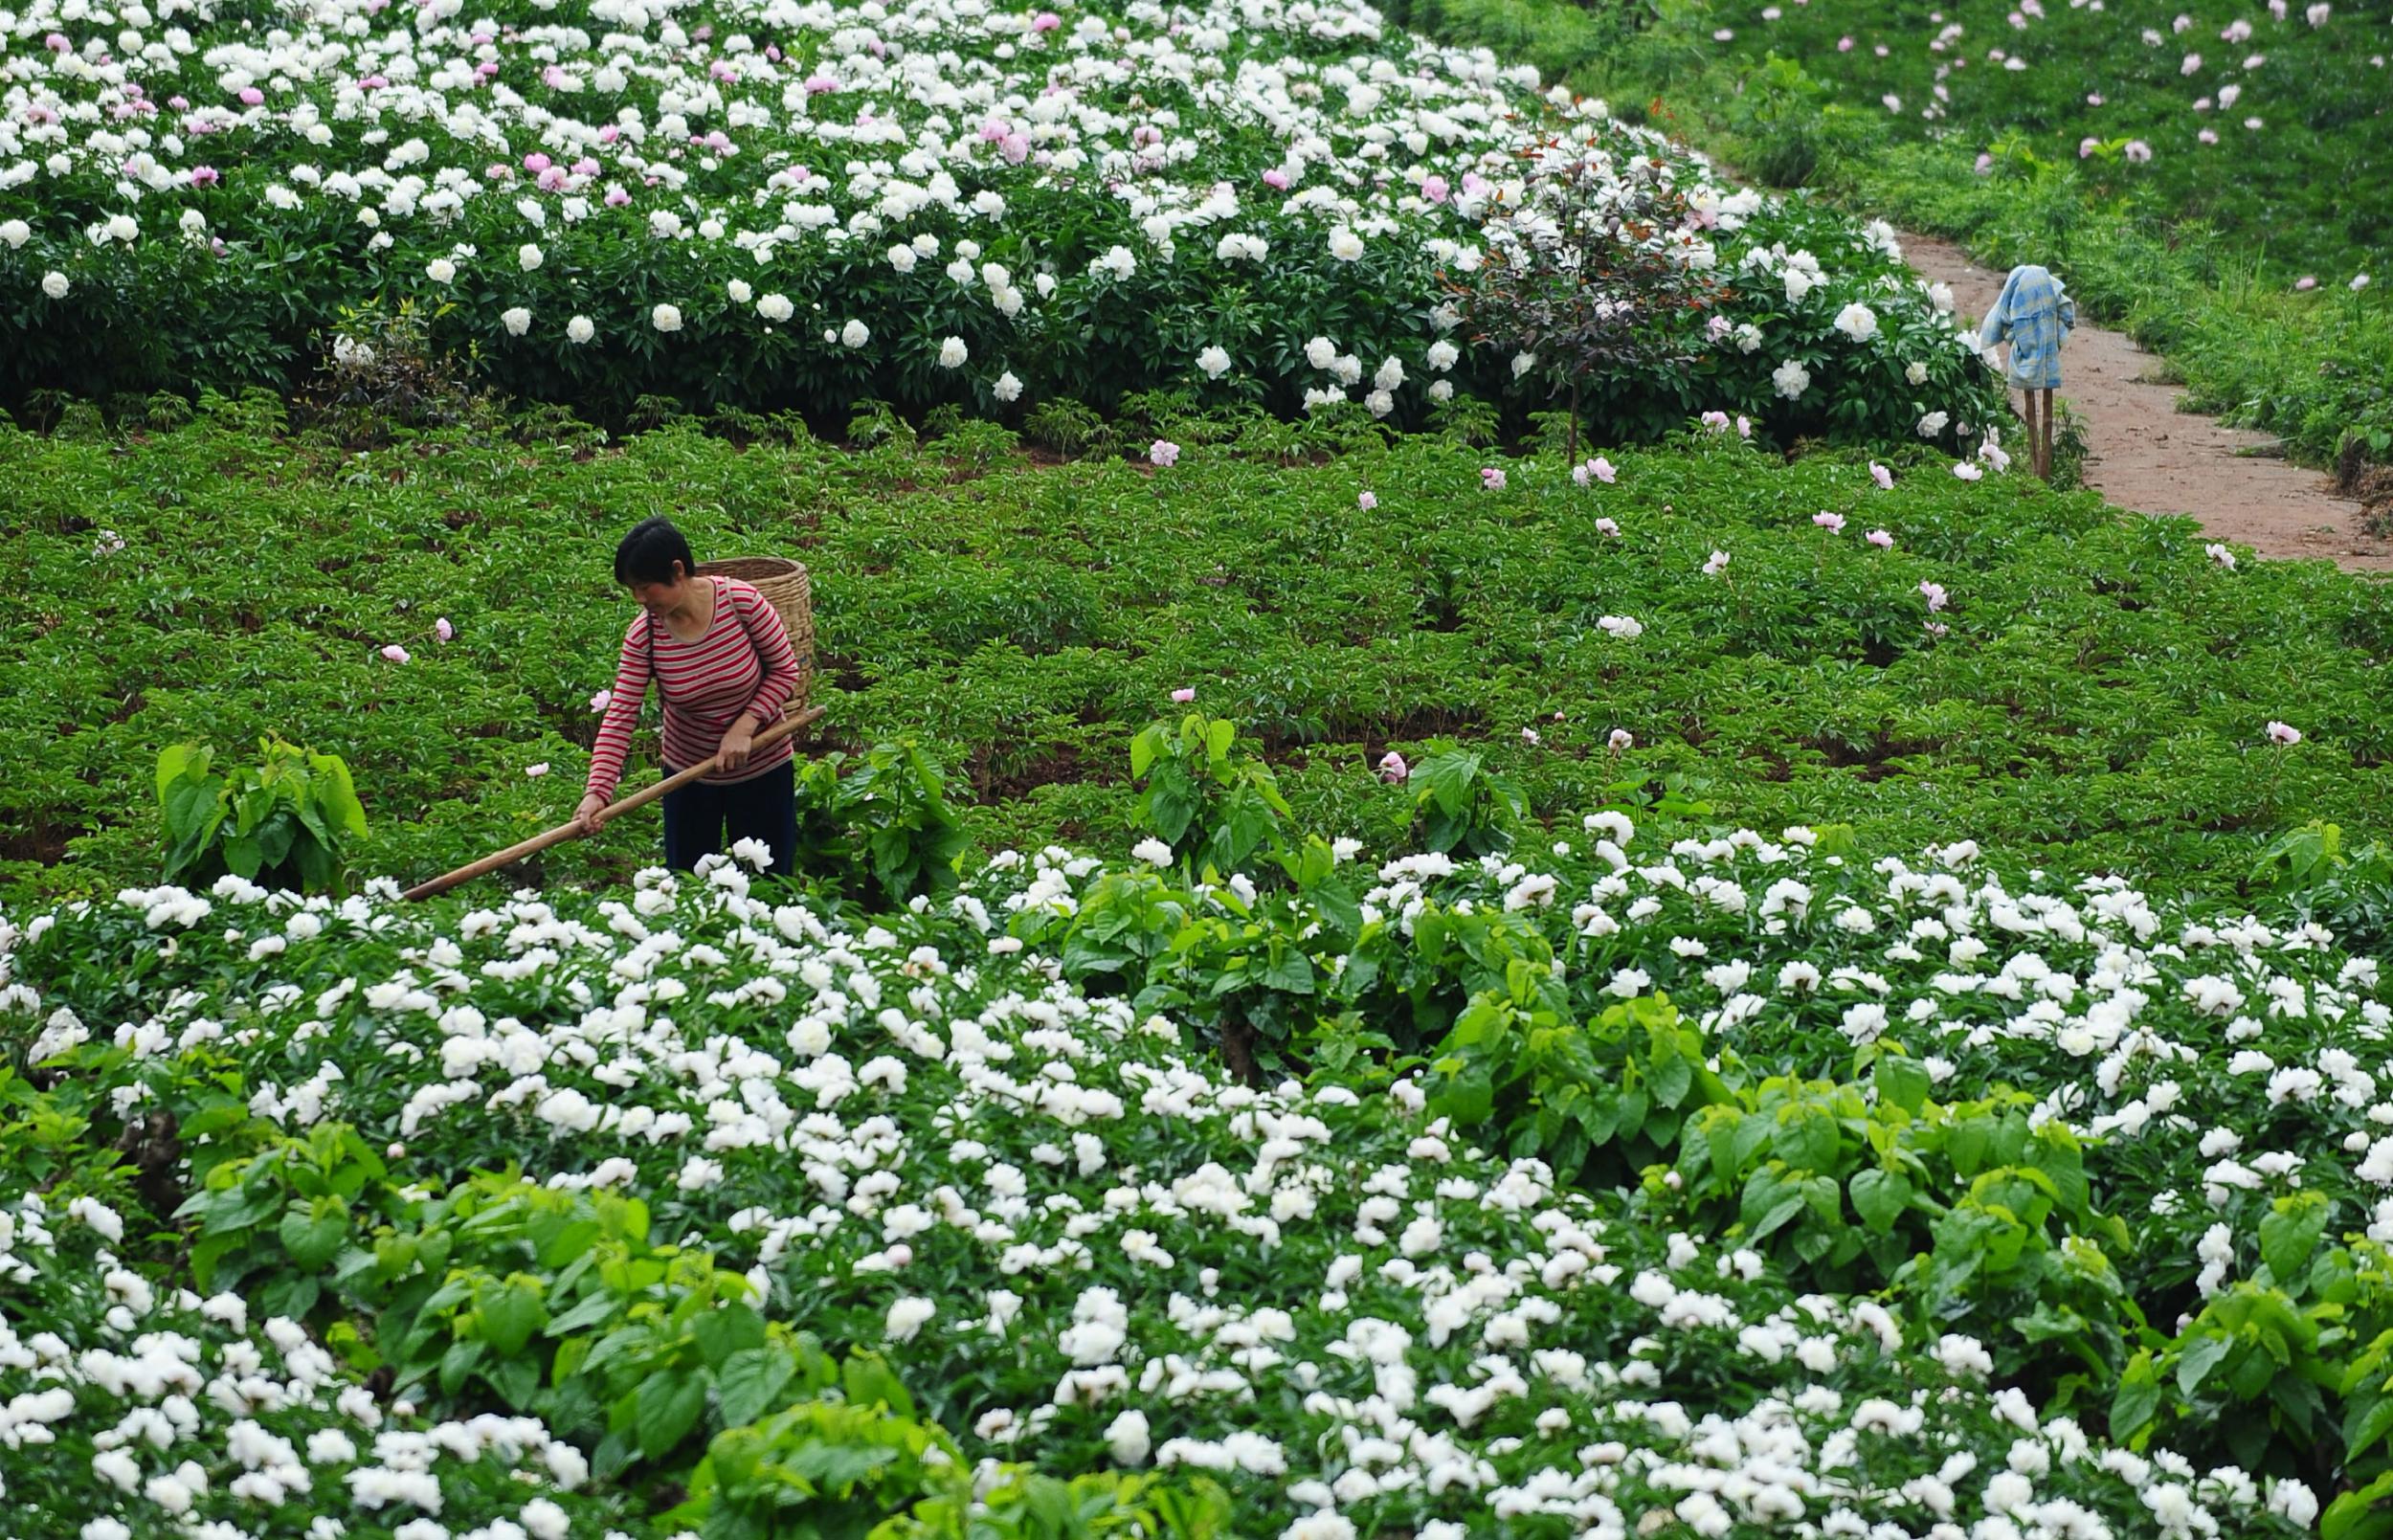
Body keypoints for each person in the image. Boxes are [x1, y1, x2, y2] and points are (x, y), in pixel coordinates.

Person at [574, 518, 805, 876]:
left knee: (769, 883)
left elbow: (785, 671)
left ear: (677, 571)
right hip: (689, 777)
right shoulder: (645, 635)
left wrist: (745, 726)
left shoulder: (742, 603)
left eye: (645, 587)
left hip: (764, 766)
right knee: (687, 885)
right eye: (632, 589)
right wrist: (597, 793)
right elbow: (621, 715)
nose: (639, 599)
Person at [1977, 263, 2077, 482]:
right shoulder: (2048, 295)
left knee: (2041, 416)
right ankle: (2038, 478)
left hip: (2046, 361)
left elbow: (2004, 321)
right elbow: (2066, 314)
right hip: (2046, 359)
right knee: (2036, 416)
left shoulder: (2018, 312)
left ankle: (2042, 477)